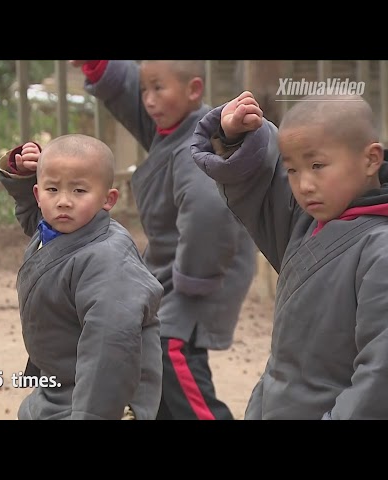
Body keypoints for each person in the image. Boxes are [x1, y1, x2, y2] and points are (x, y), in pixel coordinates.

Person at [69, 60, 257, 420]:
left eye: (159, 88)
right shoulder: (168, 126)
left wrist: (192, 279)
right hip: (173, 272)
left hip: (199, 274)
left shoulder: (197, 145)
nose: (149, 100)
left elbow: (208, 213)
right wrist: (101, 67)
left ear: (194, 91)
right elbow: (130, 97)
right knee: (152, 355)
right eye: (145, 89)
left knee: (171, 349)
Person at [190, 90, 388, 420]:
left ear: (370, 160)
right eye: (293, 170)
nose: (304, 185)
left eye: (317, 165)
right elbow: (263, 184)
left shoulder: (379, 249)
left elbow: (380, 372)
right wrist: (234, 135)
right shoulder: (307, 223)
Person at [0, 133, 164, 420]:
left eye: (78, 191)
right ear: (38, 195)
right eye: (52, 189)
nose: (63, 202)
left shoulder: (109, 260)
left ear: (108, 199)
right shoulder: (61, 231)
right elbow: (34, 219)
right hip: (58, 386)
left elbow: (109, 351)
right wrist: (24, 176)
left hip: (98, 398)